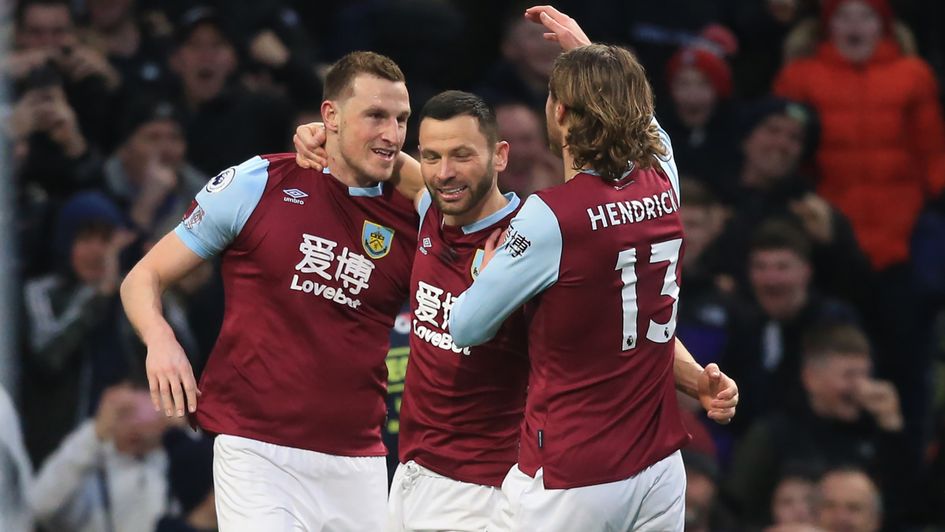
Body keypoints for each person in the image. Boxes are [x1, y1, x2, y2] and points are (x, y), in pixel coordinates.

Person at [296, 87, 738, 531]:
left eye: (463, 155)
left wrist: (694, 377)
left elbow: (628, 319)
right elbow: (378, 159)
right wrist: (323, 135)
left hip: (487, 492)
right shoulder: (431, 206)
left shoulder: (534, 240)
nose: (445, 172)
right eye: (431, 156)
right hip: (411, 478)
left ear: (500, 156)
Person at [120, 51, 420, 531]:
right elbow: (142, 278)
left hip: (360, 458)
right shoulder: (258, 182)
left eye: (402, 120)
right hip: (256, 451)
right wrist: (160, 340)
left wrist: (389, 157)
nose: (392, 133)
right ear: (330, 116)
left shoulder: (413, 212)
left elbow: (472, 206)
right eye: (376, 116)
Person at [448, 7, 717, 530]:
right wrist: (586, 51)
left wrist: (484, 270)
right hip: (660, 464)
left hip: (574, 475)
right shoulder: (662, 181)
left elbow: (466, 325)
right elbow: (649, 129)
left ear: (561, 112)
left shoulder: (551, 215)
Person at [31, 384, 171, 532]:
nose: (135, 424)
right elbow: (38, 506)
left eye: (144, 412)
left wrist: (178, 427)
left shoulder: (171, 460)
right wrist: (94, 433)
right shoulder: (86, 462)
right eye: (125, 413)